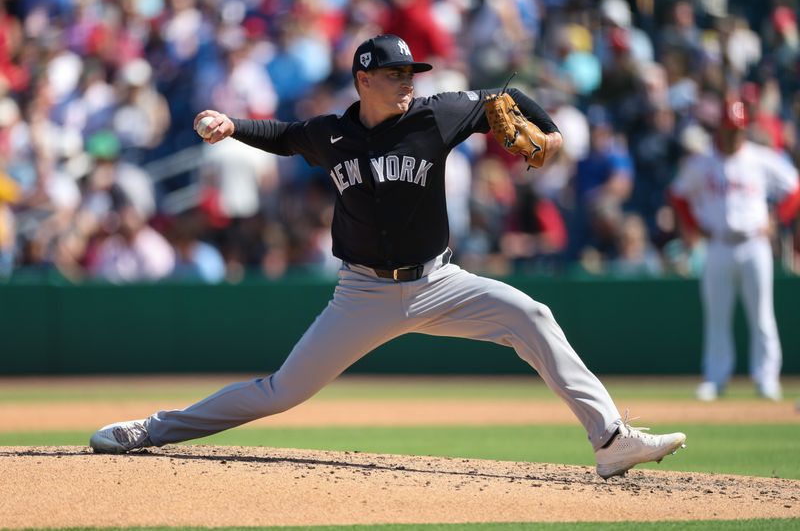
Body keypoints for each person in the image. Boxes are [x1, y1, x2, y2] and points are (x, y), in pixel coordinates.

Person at [89, 34, 686, 479]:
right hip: (363, 294)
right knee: (279, 392)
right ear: (364, 79)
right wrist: (231, 124)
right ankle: (153, 430)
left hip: (439, 281)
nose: (409, 81)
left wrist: (550, 132)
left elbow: (507, 97)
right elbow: (284, 134)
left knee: (532, 316)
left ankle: (610, 440)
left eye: (411, 72)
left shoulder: (438, 114)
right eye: (397, 73)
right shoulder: (332, 134)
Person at [669, 98, 800, 401]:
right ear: (719, 130)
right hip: (718, 244)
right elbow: (677, 196)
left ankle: (767, 378)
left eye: (738, 130)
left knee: (762, 315)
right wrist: (693, 226)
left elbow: (794, 189)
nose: (733, 136)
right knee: (717, 315)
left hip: (754, 243)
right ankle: (716, 378)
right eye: (729, 130)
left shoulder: (761, 157)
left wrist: (777, 219)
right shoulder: (702, 162)